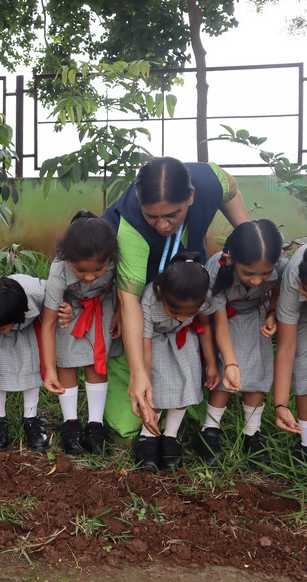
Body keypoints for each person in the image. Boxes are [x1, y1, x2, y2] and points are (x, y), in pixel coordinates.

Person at [102, 157, 250, 438]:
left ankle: (185, 396)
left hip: (185, 267)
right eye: (152, 216)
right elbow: (131, 301)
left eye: (172, 214)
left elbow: (230, 190)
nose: (162, 225)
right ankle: (136, 384)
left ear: (191, 197)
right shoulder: (131, 226)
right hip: (139, 272)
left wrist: (247, 236)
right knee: (127, 415)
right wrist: (138, 373)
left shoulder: (210, 180)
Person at [133, 252, 240, 472]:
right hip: (154, 340)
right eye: (175, 311)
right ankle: (147, 436)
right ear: (162, 293)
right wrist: (144, 377)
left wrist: (211, 362)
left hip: (184, 338)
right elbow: (144, 341)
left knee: (186, 380)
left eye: (188, 312)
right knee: (158, 382)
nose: (182, 317)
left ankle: (171, 435)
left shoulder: (204, 296)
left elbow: (205, 325)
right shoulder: (150, 298)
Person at [195, 220, 286, 465]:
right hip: (224, 317)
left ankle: (252, 433)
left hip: (256, 314)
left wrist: (273, 312)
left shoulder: (280, 263)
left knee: (258, 370)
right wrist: (231, 362)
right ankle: (209, 430)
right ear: (232, 259)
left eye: (264, 274)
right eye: (249, 273)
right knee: (227, 371)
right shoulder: (216, 267)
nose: (257, 281)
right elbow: (219, 320)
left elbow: (280, 287)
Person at [40, 211, 120, 454]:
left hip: (101, 306)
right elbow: (49, 322)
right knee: (67, 362)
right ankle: (70, 425)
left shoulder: (117, 260)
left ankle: (95, 425)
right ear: (67, 258)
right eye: (81, 271)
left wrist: (118, 315)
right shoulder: (59, 268)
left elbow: (124, 288)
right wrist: (49, 369)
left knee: (97, 363)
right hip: (68, 309)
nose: (88, 277)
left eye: (97, 271)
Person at [0, 275, 49, 452]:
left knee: (31, 362)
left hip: (31, 325)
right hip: (6, 326)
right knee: (0, 364)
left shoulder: (39, 291)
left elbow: (60, 296)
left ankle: (31, 418)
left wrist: (67, 307)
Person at [273, 238, 307, 464]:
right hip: (301, 315)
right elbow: (286, 346)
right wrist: (280, 404)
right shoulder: (296, 274)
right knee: (305, 360)